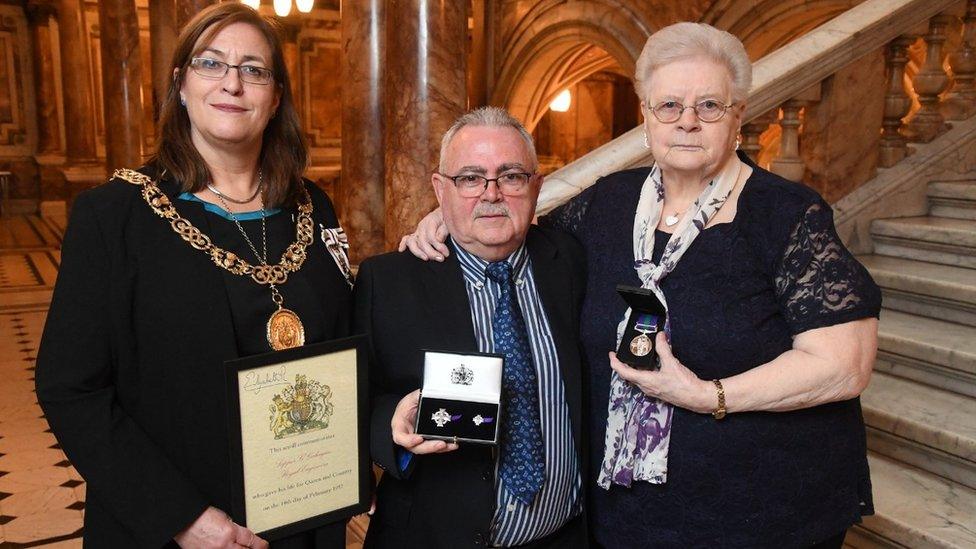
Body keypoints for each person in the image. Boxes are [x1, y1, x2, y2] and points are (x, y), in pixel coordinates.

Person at [401, 22, 881, 548]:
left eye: (710, 106)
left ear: (738, 116)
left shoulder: (786, 215)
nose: (688, 122)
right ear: (647, 116)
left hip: (763, 511)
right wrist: (449, 214)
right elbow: (514, 227)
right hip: (627, 515)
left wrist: (706, 395)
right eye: (670, 106)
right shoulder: (607, 204)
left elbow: (844, 366)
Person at [35, 4, 354, 548]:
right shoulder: (115, 216)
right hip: (178, 526)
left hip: (304, 514)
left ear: (276, 98)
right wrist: (182, 517)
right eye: (211, 64)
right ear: (181, 84)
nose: (232, 83)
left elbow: (346, 344)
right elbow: (70, 389)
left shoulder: (311, 205)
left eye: (254, 69)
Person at [355, 107, 588, 548]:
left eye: (512, 176)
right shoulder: (388, 283)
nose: (491, 194)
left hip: (564, 537)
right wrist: (393, 422)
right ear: (440, 190)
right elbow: (356, 399)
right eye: (470, 178)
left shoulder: (571, 262)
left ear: (536, 187)